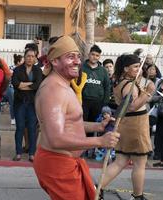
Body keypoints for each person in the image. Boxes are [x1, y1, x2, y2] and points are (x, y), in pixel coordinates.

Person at [33, 36, 120, 200]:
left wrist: (99, 126)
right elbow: (56, 139)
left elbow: (71, 123)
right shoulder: (54, 90)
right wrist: (99, 142)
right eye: (70, 57)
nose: (77, 62)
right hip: (57, 163)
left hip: (66, 162)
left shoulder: (64, 86)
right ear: (55, 61)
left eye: (78, 56)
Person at [99, 54, 155, 200]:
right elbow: (132, 106)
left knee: (120, 161)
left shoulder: (123, 81)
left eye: (139, 66)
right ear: (126, 68)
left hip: (127, 123)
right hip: (135, 125)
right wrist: (149, 91)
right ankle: (138, 196)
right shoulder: (128, 85)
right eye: (135, 67)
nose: (139, 69)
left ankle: (97, 188)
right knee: (139, 162)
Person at [12, 48, 43, 162]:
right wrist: (30, 84)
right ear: (24, 57)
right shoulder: (17, 70)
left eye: (32, 56)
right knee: (19, 127)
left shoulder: (38, 70)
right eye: (28, 56)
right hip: (20, 102)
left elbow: (38, 85)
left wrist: (23, 85)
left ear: (35, 58)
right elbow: (16, 84)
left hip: (32, 103)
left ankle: (32, 153)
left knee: (32, 128)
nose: (30, 58)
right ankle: (18, 152)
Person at [82, 45, 111, 137]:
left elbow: (107, 87)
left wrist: (105, 103)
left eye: (97, 55)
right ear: (89, 54)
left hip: (98, 102)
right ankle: (80, 146)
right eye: (93, 54)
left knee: (94, 126)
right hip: (83, 101)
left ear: (99, 57)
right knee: (82, 125)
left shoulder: (103, 71)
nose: (94, 57)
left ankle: (90, 147)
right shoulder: (81, 67)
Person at [6, 54, 23, 125]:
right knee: (12, 102)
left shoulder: (24, 69)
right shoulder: (11, 68)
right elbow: (9, 79)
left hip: (21, 88)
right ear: (18, 62)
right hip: (11, 87)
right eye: (22, 60)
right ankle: (13, 118)